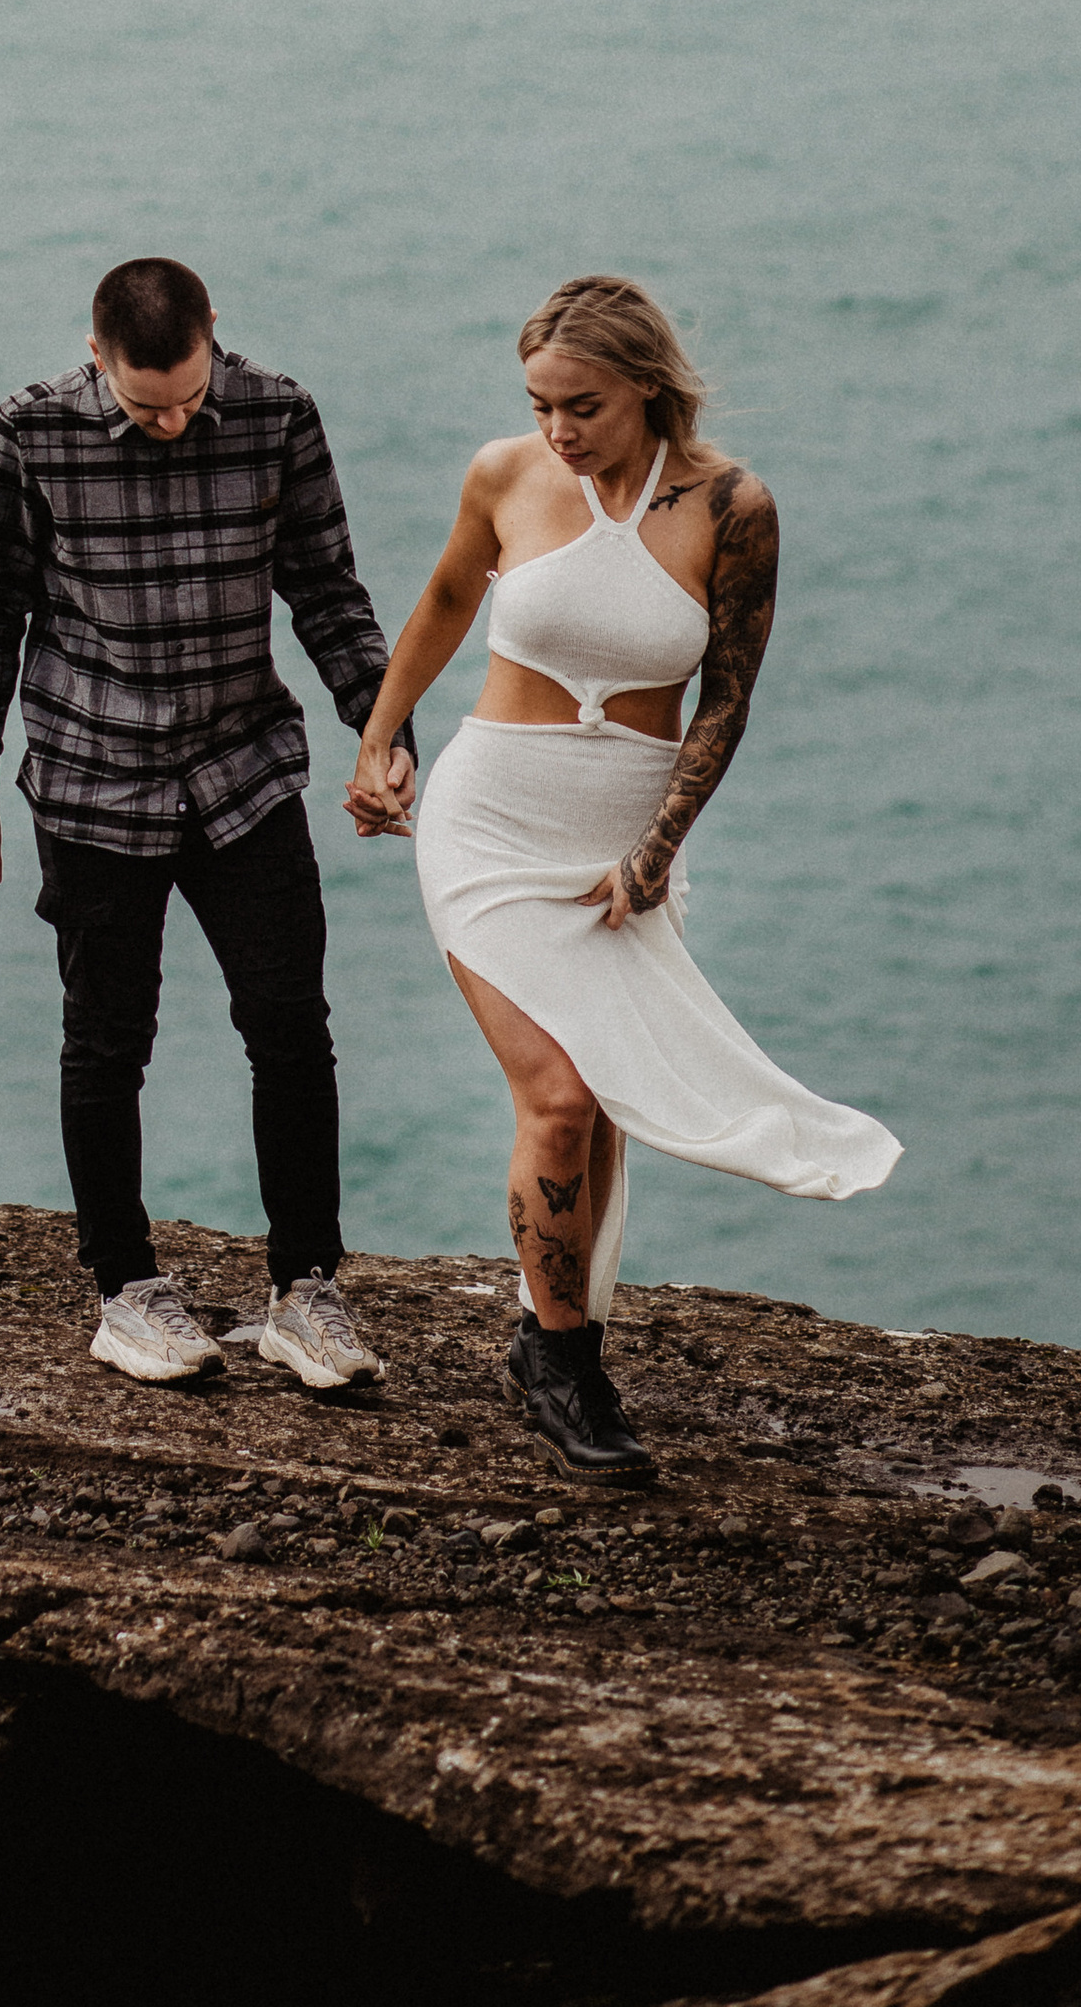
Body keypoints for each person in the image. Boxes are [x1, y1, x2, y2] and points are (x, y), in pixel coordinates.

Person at [346, 275, 900, 1485]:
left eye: (582, 406)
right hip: (489, 818)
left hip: (623, 835)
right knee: (554, 1094)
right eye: (540, 404)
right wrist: (382, 737)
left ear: (647, 384)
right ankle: (560, 1364)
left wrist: (654, 850)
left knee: (597, 1102)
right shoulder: (504, 477)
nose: (558, 431)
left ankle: (565, 1334)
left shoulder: (733, 505)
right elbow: (447, 598)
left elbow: (728, 697)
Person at [0, 258, 403, 1391]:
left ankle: (307, 1292)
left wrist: (381, 730)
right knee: (108, 1039)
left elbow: (327, 591)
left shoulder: (277, 416)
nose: (171, 421)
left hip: (242, 767)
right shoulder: (31, 434)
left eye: (189, 396)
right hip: (95, 777)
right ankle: (126, 1291)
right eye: (147, 406)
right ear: (97, 356)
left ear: (214, 336)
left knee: (289, 1023)